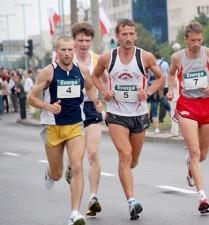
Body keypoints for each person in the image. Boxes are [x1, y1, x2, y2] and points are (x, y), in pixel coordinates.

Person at [91, 18, 164, 220]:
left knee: (133, 160)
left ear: (136, 36)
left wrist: (147, 92)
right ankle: (132, 201)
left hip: (139, 114)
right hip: (116, 113)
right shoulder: (107, 58)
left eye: (132, 34)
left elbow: (160, 78)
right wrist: (104, 90)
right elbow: (94, 77)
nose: (129, 38)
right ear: (117, 36)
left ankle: (125, 173)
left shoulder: (145, 57)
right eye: (124, 34)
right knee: (125, 154)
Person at [27, 36, 102, 225]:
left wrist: (96, 100)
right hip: (52, 126)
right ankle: (50, 172)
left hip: (76, 124)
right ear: (57, 51)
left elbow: (91, 87)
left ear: (74, 50)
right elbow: (31, 98)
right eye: (63, 50)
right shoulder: (48, 72)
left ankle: (75, 213)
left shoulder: (82, 70)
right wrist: (48, 106)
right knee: (58, 174)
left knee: (77, 166)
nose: (67, 53)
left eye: (70, 50)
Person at [167, 21, 209, 213]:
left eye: (199, 39)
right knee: (195, 152)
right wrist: (171, 89)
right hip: (187, 105)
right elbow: (171, 75)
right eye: (192, 40)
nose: (196, 43)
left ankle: (190, 166)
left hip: (207, 105)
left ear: (202, 38)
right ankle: (202, 196)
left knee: (203, 154)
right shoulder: (177, 57)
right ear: (186, 40)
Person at [64, 22, 103, 217]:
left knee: (93, 153)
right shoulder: (65, 59)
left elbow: (102, 81)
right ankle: (69, 166)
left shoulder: (97, 59)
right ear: (74, 41)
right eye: (80, 40)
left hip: (90, 107)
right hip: (70, 109)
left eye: (87, 40)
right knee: (75, 159)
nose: (84, 43)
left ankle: (93, 197)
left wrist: (101, 98)